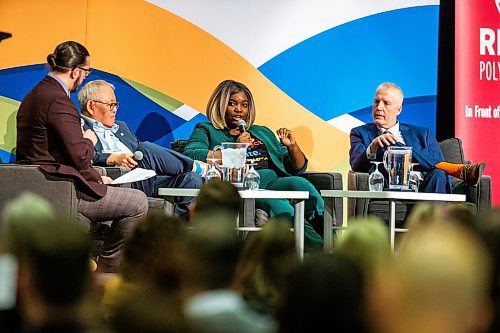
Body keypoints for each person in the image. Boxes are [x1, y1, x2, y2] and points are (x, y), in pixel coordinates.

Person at [15, 41, 148, 272]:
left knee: (113, 197)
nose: (85, 77)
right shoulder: (58, 100)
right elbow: (79, 155)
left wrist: (94, 176)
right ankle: (109, 267)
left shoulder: (35, 93)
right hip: (57, 188)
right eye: (87, 72)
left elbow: (58, 152)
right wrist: (90, 139)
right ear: (76, 71)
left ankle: (91, 263)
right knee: (137, 202)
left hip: (39, 184)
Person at [183, 79, 324, 250]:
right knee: (281, 206)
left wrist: (293, 146)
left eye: (244, 105)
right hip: (243, 186)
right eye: (232, 104)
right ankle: (320, 249)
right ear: (220, 105)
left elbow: (298, 167)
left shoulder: (261, 132)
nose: (239, 110)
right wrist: (236, 147)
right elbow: (190, 153)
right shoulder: (207, 129)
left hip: (273, 181)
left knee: (303, 185)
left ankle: (331, 240)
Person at [78, 79, 205, 218]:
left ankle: (174, 231)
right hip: (121, 180)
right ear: (91, 106)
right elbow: (80, 155)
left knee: (191, 179)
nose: (114, 109)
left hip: (145, 178)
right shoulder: (80, 127)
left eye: (116, 104)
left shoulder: (122, 126)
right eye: (110, 105)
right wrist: (110, 158)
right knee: (144, 150)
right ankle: (196, 166)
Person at [350, 82, 486, 193]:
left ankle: (434, 225)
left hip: (425, 187)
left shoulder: (423, 134)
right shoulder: (359, 133)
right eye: (376, 102)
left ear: (399, 109)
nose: (379, 107)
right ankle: (456, 170)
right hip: (389, 186)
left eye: (386, 103)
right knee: (387, 141)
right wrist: (373, 147)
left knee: (439, 174)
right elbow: (356, 165)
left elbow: (441, 174)